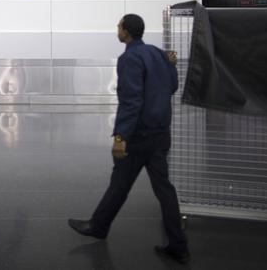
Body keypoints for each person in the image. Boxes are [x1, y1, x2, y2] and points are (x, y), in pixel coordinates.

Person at [68, 14, 190, 264]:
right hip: (160, 134)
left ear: (126, 31)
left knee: (120, 183)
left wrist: (121, 135)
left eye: (119, 26)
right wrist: (171, 67)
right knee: (163, 189)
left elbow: (131, 100)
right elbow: (172, 87)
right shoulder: (158, 54)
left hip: (138, 137)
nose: (117, 29)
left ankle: (98, 226)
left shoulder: (129, 58)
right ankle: (178, 245)